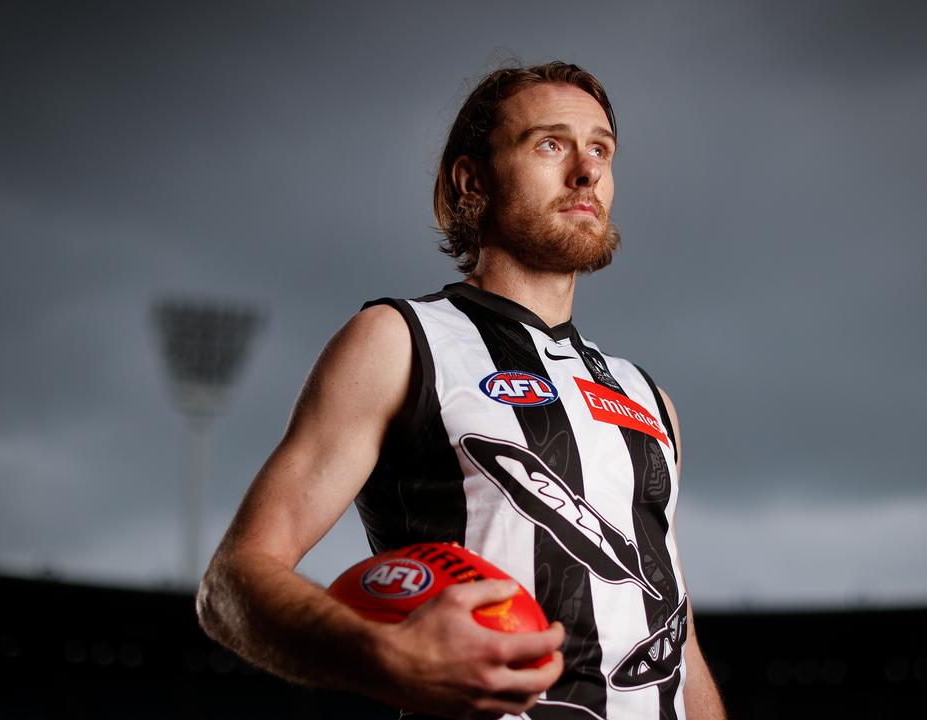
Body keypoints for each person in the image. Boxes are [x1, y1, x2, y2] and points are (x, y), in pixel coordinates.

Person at [197, 61, 727, 720]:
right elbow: (233, 580)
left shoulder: (649, 398)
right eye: (551, 144)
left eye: (601, 149)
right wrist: (382, 656)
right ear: (472, 180)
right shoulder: (398, 341)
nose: (586, 170)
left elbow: (679, 638)